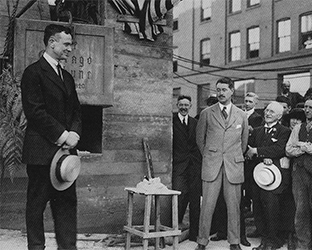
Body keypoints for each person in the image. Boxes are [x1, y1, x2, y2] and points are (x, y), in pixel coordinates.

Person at [21, 24, 82, 250]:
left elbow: (76, 110)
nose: (70, 48)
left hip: (66, 158)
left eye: (70, 44)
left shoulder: (67, 77)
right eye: (66, 44)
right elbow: (35, 112)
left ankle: (68, 247)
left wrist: (75, 133)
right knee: (36, 206)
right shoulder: (33, 73)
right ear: (51, 43)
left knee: (67, 205)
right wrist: (63, 134)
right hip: (41, 154)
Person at [195, 77, 249, 250]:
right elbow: (199, 140)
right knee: (207, 206)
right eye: (218, 90)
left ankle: (234, 242)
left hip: (233, 166)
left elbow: (244, 141)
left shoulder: (241, 115)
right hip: (212, 165)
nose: (220, 93)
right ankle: (202, 241)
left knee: (234, 206)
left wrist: (231, 156)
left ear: (232, 91)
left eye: (224, 90)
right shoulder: (206, 113)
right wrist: (211, 156)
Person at [246, 101, 292, 250]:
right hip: (256, 177)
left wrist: (259, 152)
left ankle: (272, 241)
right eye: (267, 110)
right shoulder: (257, 130)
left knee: (271, 209)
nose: (267, 113)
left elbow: (280, 149)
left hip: (273, 179)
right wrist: (259, 153)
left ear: (279, 116)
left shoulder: (284, 131)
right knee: (257, 208)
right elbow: (249, 149)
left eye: (272, 112)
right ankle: (264, 239)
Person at [172, 95, 202, 241]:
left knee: (195, 199)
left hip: (194, 166)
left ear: (190, 106)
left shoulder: (195, 122)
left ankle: (193, 234)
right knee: (179, 196)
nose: (184, 108)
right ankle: (175, 229)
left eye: (186, 105)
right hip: (179, 165)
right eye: (181, 105)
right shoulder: (171, 121)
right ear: (177, 105)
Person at [286, 96, 312, 250]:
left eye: (310, 108)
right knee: (301, 210)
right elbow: (289, 149)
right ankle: (304, 244)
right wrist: (304, 147)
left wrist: (305, 147)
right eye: (306, 107)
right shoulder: (298, 128)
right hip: (299, 173)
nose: (307, 110)